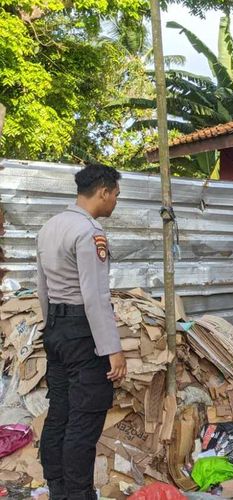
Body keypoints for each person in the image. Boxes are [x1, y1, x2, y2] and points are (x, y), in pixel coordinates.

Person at [36, 163, 127, 500]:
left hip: (57, 330)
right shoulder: (90, 233)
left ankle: (57, 489)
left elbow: (42, 289)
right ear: (103, 191)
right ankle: (78, 494)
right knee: (84, 419)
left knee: (59, 412)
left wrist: (51, 329)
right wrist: (112, 349)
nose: (116, 202)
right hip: (83, 333)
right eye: (116, 195)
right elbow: (95, 297)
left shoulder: (49, 227)